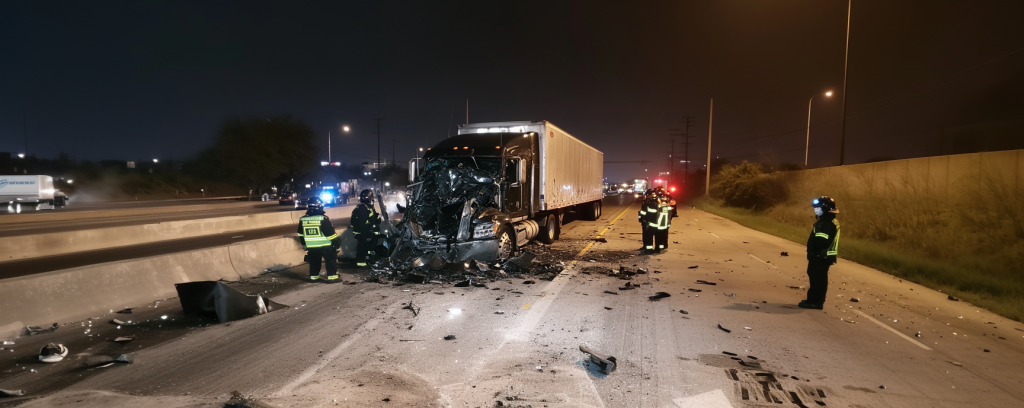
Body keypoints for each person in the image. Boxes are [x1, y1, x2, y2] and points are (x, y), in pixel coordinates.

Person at [800, 196, 841, 310]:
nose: (816, 210)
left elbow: (822, 240)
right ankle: (812, 300)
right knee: (815, 277)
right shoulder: (825, 221)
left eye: (818, 208)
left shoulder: (827, 223)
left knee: (818, 279)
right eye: (815, 208)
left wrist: (815, 251)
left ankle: (816, 302)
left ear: (826, 209)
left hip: (822, 255)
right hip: (819, 255)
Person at [297, 197, 340, 282]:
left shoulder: (303, 219)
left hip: (311, 246)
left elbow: (300, 234)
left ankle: (314, 277)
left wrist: (304, 245)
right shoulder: (323, 219)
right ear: (320, 206)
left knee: (314, 262)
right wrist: (337, 243)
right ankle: (332, 277)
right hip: (325, 246)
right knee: (330, 261)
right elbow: (331, 234)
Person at [351, 189, 382, 267]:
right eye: (371, 197)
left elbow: (373, 219)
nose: (372, 198)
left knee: (369, 247)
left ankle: (368, 260)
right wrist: (369, 229)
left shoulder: (368, 206)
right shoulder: (362, 207)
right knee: (362, 247)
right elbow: (363, 222)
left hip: (368, 232)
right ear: (367, 197)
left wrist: (377, 219)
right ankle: (361, 263)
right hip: (364, 232)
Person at [638, 189, 660, 254]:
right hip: (654, 222)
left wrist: (643, 219)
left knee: (648, 236)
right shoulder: (656, 201)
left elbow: (645, 212)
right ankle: (653, 248)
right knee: (654, 236)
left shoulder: (650, 202)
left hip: (650, 222)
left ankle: (648, 250)